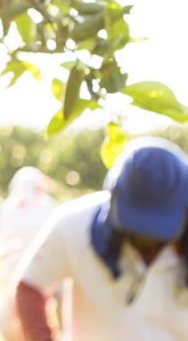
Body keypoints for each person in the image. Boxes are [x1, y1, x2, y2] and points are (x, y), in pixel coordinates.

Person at [15, 137, 188, 341]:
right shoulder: (73, 226)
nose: (146, 238)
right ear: (113, 198)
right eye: (137, 228)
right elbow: (30, 286)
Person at [0, 167, 58, 340]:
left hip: (42, 268)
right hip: (15, 267)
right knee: (13, 315)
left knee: (40, 313)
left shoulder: (48, 205)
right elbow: (5, 238)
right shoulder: (9, 208)